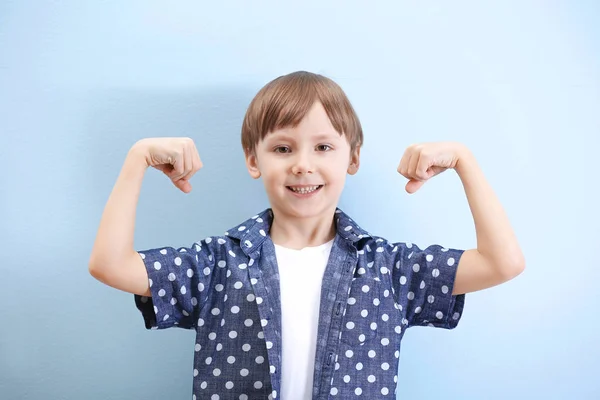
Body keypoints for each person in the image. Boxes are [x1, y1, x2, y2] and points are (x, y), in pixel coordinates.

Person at [89, 71, 525, 399]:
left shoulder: (389, 269)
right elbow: (110, 265)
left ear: (352, 158)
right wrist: (137, 158)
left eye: (323, 147)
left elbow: (502, 262)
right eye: (283, 148)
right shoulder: (217, 264)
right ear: (253, 159)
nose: (302, 164)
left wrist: (464, 161)